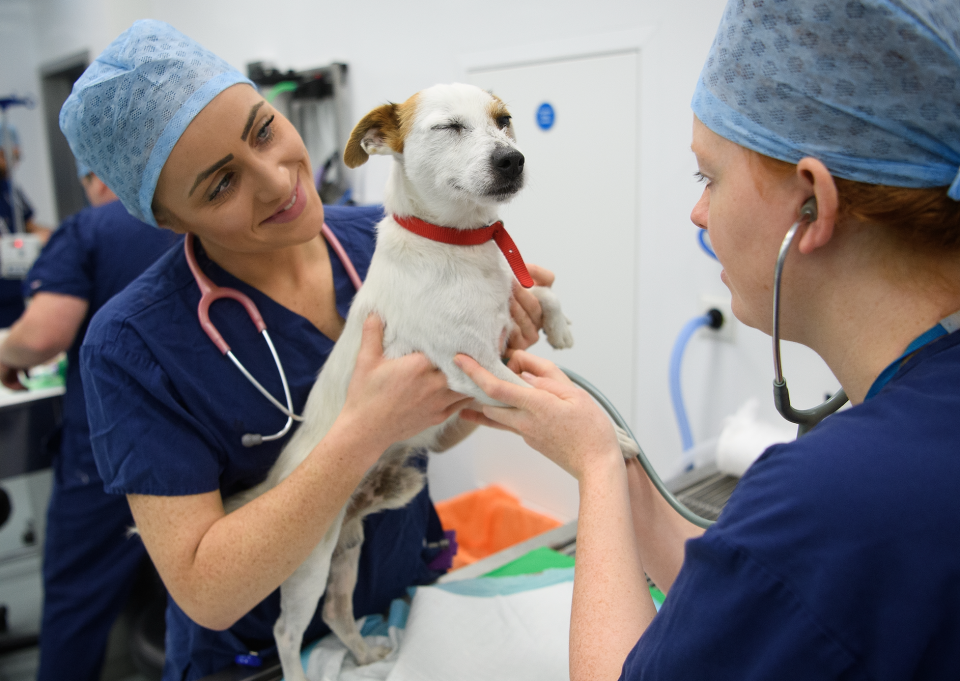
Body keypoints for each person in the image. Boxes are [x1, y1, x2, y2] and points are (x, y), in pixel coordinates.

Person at [456, 1, 960, 679]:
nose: (697, 211)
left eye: (709, 177)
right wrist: (616, 453)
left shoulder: (833, 497)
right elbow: (754, 595)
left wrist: (596, 467)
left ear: (812, 200)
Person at [59, 20, 552, 680]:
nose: (277, 180)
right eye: (220, 184)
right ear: (169, 218)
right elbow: (206, 589)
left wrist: (486, 360)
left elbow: (430, 434)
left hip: (407, 616)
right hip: (260, 660)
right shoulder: (131, 347)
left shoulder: (382, 240)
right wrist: (359, 430)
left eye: (263, 129)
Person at [0, 161, 179, 681]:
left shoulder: (89, 230)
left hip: (111, 450)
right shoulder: (196, 221)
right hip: (203, 440)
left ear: (98, 177)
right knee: (199, 587)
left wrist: (8, 353)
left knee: (78, 598)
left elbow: (42, 336)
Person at [0, 122, 51, 328]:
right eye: (10, 157)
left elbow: (29, 225)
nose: (15, 163)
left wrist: (63, 236)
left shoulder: (10, 189)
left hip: (16, 293)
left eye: (17, 157)